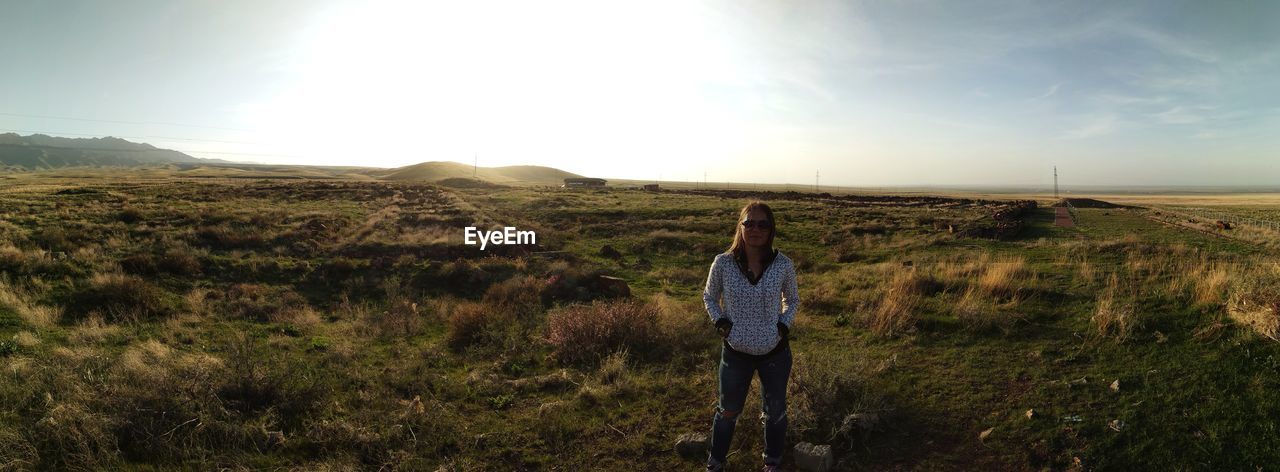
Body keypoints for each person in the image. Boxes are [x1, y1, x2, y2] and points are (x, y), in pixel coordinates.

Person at [702, 201, 799, 471]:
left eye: (762, 223)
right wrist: (721, 322)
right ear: (740, 227)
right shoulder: (722, 263)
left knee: (776, 412)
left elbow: (792, 300)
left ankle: (772, 462)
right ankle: (716, 462)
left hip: (775, 354)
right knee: (727, 411)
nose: (755, 228)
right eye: (749, 222)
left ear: (771, 229)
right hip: (735, 353)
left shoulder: (783, 265)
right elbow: (709, 296)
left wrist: (782, 327)